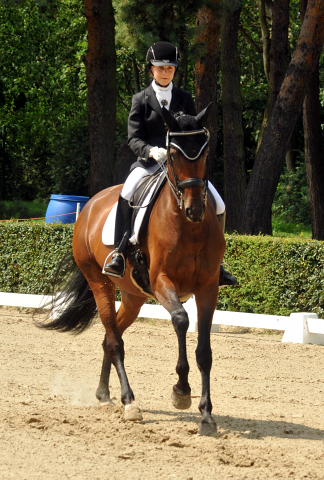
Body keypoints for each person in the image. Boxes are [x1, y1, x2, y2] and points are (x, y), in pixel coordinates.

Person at [103, 41, 237, 287]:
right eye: (161, 67)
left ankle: (218, 263)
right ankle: (120, 252)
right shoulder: (140, 100)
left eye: (170, 68)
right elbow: (133, 138)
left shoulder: (184, 98)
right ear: (151, 69)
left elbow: (194, 130)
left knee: (218, 203)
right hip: (150, 163)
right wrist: (151, 151)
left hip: (180, 165)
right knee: (127, 190)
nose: (165, 72)